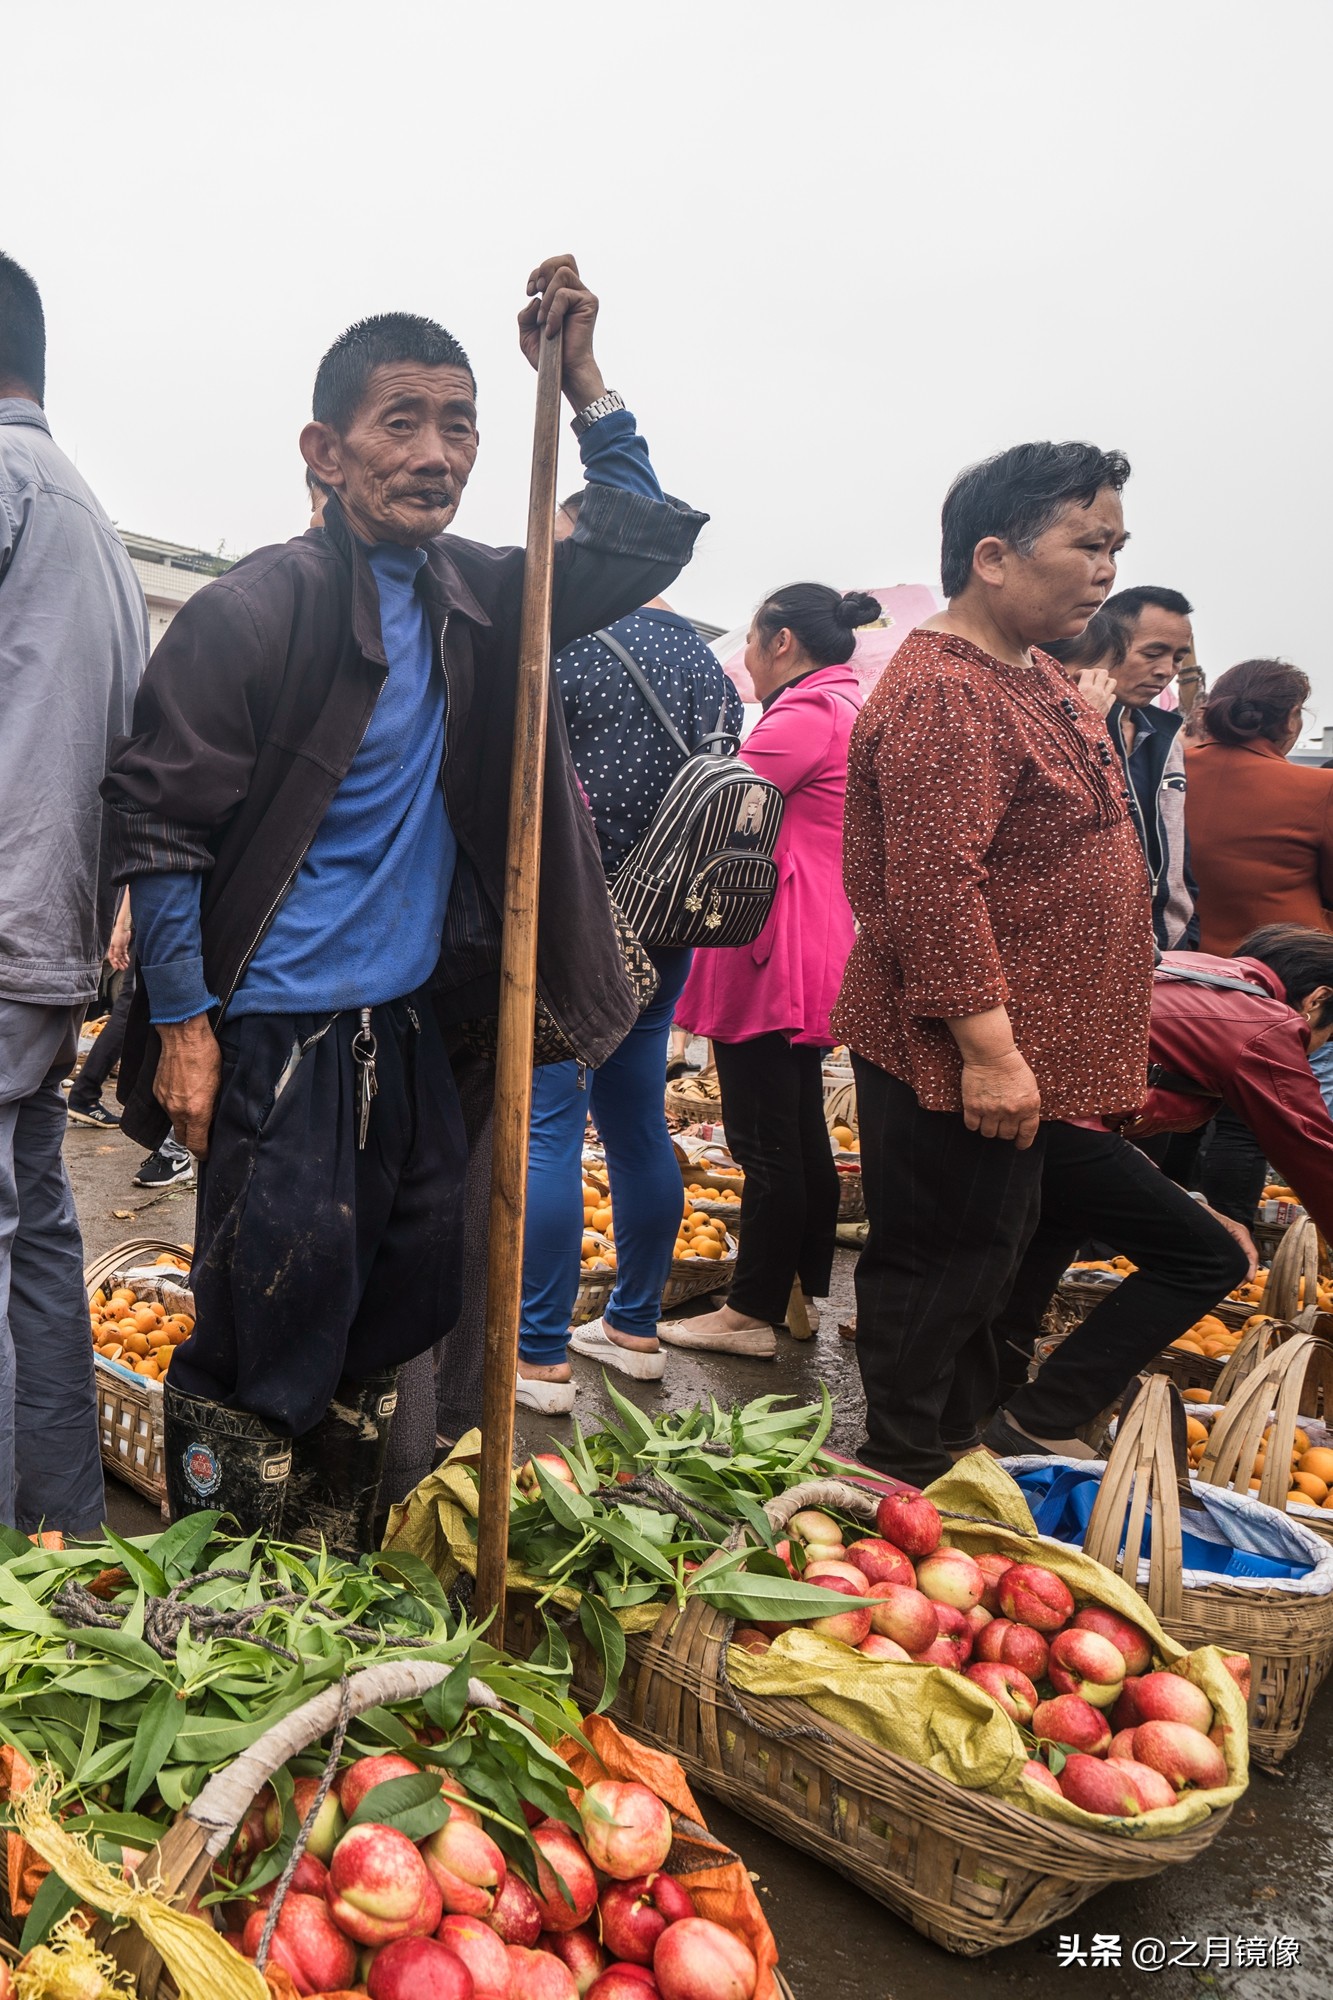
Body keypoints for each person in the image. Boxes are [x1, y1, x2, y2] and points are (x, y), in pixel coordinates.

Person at [102, 254, 707, 1546]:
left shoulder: (480, 592)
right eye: (402, 423)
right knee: (264, 1327)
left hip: (414, 1033)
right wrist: (188, 1028)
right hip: (277, 1044)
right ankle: (224, 1595)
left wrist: (584, 383)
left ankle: (331, 1565)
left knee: (392, 1306)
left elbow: (637, 537)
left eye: (462, 424)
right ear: (325, 448)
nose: (437, 454)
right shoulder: (257, 610)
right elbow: (158, 827)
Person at [833, 441, 1153, 1486]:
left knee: (986, 1262)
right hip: (955, 1053)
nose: (1105, 568)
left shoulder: (1035, 671)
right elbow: (934, 884)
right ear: (993, 556)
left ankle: (951, 1455)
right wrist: (988, 1048)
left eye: (1115, 545)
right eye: (1085, 542)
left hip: (1021, 1050)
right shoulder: (943, 692)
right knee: (941, 1264)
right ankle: (902, 1468)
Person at [516, 498, 744, 1410]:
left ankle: (538, 1353)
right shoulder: (706, 663)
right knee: (637, 1120)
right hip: (669, 919)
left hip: (577, 920)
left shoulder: (568, 635)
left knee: (547, 1128)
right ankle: (634, 1325)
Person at [0, 250, 147, 1533]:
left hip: (0, 933)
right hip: (47, 948)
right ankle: (59, 1536)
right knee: (36, 1234)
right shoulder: (86, 515)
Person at [983, 924, 1333, 1453]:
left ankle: (985, 1401)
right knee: (1209, 1260)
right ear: (1318, 1000)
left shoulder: (1193, 971)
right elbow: (1314, 1153)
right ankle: (1042, 1417)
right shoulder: (1266, 1021)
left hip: (1038, 1111)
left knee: (1049, 1238)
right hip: (1064, 1122)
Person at [662, 584, 877, 1358]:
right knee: (798, 1129)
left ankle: (746, 1311)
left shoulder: (802, 716)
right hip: (815, 934)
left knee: (764, 1141)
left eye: (751, 643)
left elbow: (717, 809)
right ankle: (797, 1290)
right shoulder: (847, 708)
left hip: (769, 941)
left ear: (779, 640)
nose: (747, 659)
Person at [1048, 584, 1197, 948]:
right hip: (1093, 953)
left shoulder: (1166, 739)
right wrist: (1079, 723)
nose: (1166, 671)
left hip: (1170, 945)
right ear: (1106, 647)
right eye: (1152, 653)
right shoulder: (1066, 731)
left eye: (1178, 658)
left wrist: (1189, 934)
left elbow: (1177, 855)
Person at [1186, 658, 1333, 953]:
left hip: (1176, 961)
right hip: (1286, 969)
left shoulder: (1168, 770)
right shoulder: (1321, 786)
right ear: (1292, 717)